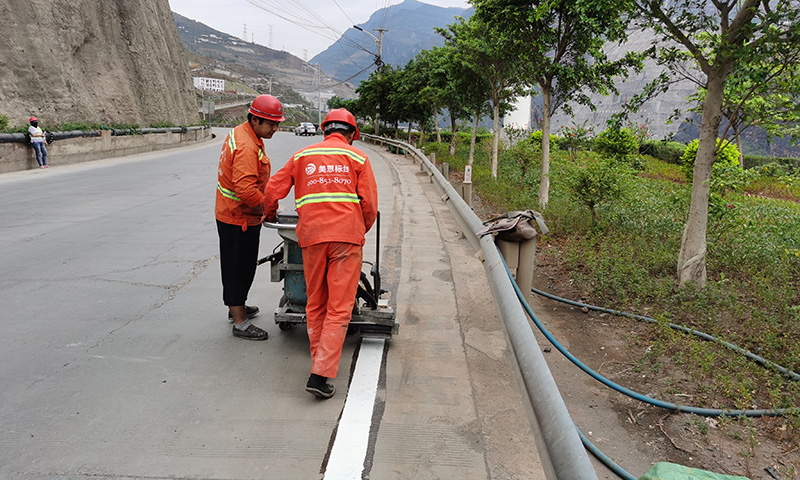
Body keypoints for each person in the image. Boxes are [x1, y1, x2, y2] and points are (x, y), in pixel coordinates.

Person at [264, 108, 378, 399]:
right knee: (339, 308)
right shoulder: (358, 158)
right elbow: (369, 207)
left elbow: (272, 191)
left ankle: (320, 364)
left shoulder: (302, 157)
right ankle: (320, 374)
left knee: (316, 303)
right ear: (353, 135)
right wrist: (357, 230)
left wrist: (270, 212)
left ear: (325, 130)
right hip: (346, 239)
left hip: (312, 238)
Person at [215, 94, 284, 340]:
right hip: (238, 217)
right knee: (239, 268)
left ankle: (237, 307)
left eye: (277, 124)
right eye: (271, 124)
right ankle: (240, 321)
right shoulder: (246, 146)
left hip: (234, 213)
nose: (276, 128)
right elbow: (245, 189)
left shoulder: (244, 133)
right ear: (255, 120)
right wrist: (266, 207)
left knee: (239, 266)